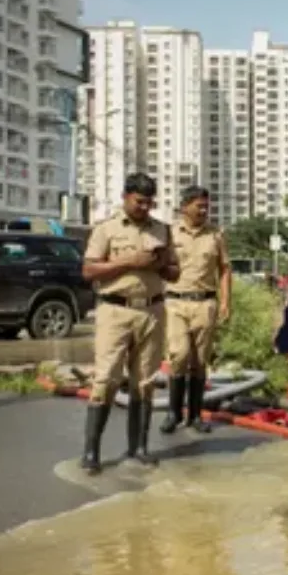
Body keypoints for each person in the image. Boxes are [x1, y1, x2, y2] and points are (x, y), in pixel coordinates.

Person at [81, 172, 179, 474]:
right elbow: (88, 270)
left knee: (145, 381)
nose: (144, 208)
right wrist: (128, 262)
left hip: (152, 311)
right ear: (125, 197)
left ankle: (138, 447)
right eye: (139, 201)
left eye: (149, 202)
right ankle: (92, 451)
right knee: (106, 378)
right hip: (116, 311)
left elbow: (175, 273)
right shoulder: (106, 229)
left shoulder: (162, 230)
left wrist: (162, 264)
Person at [161, 185, 232, 435]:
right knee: (178, 355)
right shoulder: (170, 233)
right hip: (175, 303)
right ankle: (173, 413)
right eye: (199, 205)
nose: (203, 210)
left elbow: (224, 269)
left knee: (199, 362)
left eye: (206, 206)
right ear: (185, 207)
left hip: (205, 303)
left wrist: (225, 301)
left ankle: (195, 415)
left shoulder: (215, 235)